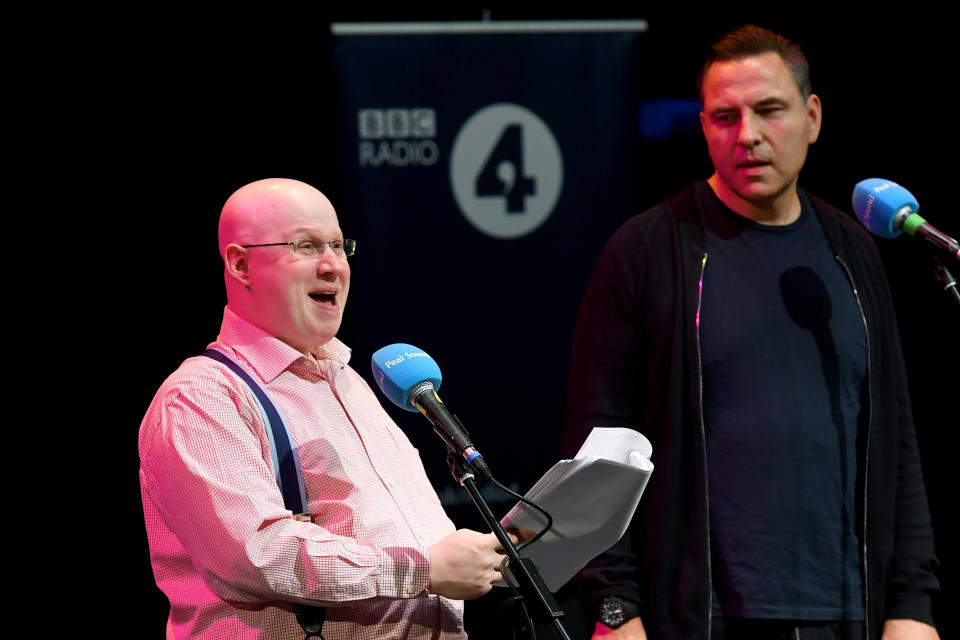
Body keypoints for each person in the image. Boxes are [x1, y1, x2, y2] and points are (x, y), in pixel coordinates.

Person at [561, 26, 940, 640]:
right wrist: (613, 609)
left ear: (812, 117)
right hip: (698, 617)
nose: (748, 136)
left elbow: (895, 439)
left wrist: (913, 606)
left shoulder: (855, 251)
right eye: (724, 117)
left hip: (849, 611)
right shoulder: (649, 251)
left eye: (769, 111)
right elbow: (596, 443)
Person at [139, 178, 509, 639]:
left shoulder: (347, 379)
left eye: (338, 245)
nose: (333, 265)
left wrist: (490, 555)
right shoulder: (202, 395)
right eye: (307, 246)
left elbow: (410, 537)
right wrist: (422, 569)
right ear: (241, 264)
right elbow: (257, 554)